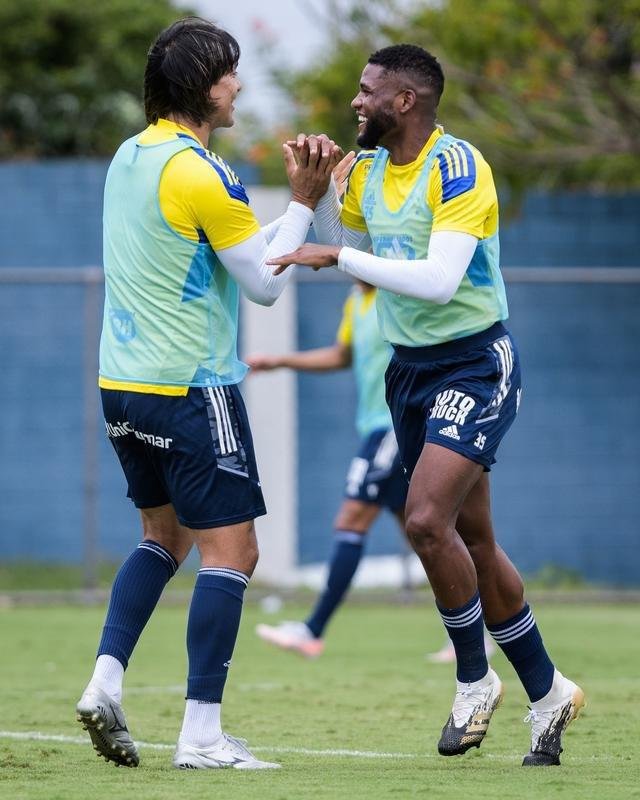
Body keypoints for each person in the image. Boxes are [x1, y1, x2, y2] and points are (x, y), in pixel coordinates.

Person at [267, 44, 585, 766]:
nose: (356, 101)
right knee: (475, 543)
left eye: (367, 89)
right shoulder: (367, 170)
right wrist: (316, 195)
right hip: (408, 372)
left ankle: (474, 681)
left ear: (404, 100)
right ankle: (548, 693)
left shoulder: (458, 166)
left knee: (422, 520)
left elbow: (440, 281)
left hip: (475, 365)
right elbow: (348, 250)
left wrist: (335, 254)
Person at [75, 17, 341, 772]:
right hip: (191, 386)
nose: (239, 85)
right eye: (229, 72)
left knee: (165, 539)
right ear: (202, 85)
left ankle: (104, 683)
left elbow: (228, 250)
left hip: (123, 387)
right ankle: (200, 736)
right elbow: (263, 285)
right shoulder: (204, 172)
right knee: (235, 551)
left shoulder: (130, 156)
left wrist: (302, 207)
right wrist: (305, 199)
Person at [251, 279, 408, 657]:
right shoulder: (356, 301)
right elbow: (342, 355)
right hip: (376, 426)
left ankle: (312, 630)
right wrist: (279, 361)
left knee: (352, 519)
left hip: (395, 426)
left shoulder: (397, 292)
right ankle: (475, 632)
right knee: (429, 534)